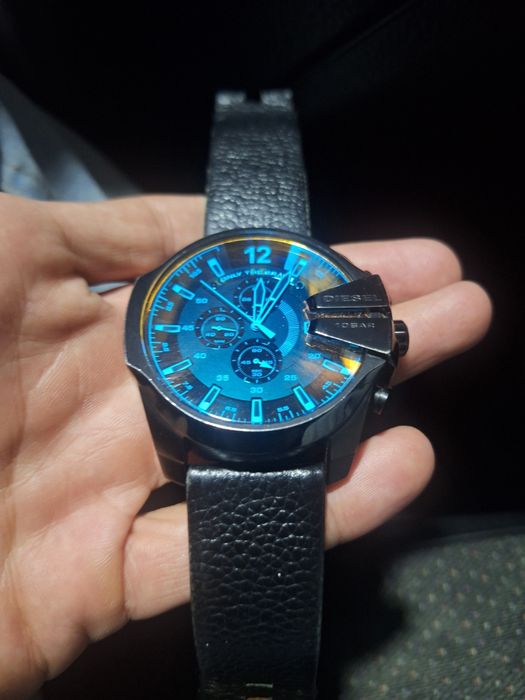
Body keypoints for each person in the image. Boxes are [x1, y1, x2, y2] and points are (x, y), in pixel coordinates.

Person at [0, 189, 492, 698]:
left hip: (284, 433)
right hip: (221, 430)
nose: (258, 327)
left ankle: (254, 680)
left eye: (264, 324)